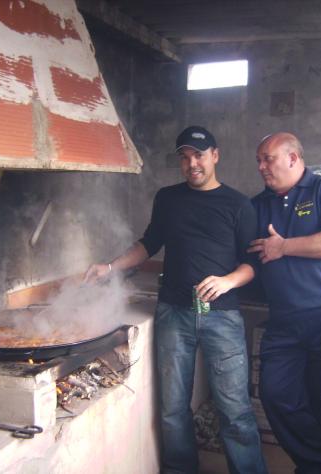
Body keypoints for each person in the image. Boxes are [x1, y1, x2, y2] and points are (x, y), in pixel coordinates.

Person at [85, 126, 268, 474]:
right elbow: (148, 244)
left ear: (215, 156)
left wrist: (227, 281)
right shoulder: (167, 198)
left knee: (235, 411)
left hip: (222, 317)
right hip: (174, 314)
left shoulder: (239, 204)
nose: (192, 163)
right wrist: (109, 267)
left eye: (199, 155)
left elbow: (252, 264)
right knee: (172, 410)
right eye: (184, 157)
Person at [247, 132, 321, 474]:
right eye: (259, 160)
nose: (261, 166)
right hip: (284, 319)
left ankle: (315, 466)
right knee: (274, 393)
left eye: (268, 159)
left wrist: (283, 246)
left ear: (293, 158)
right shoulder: (258, 205)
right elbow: (247, 254)